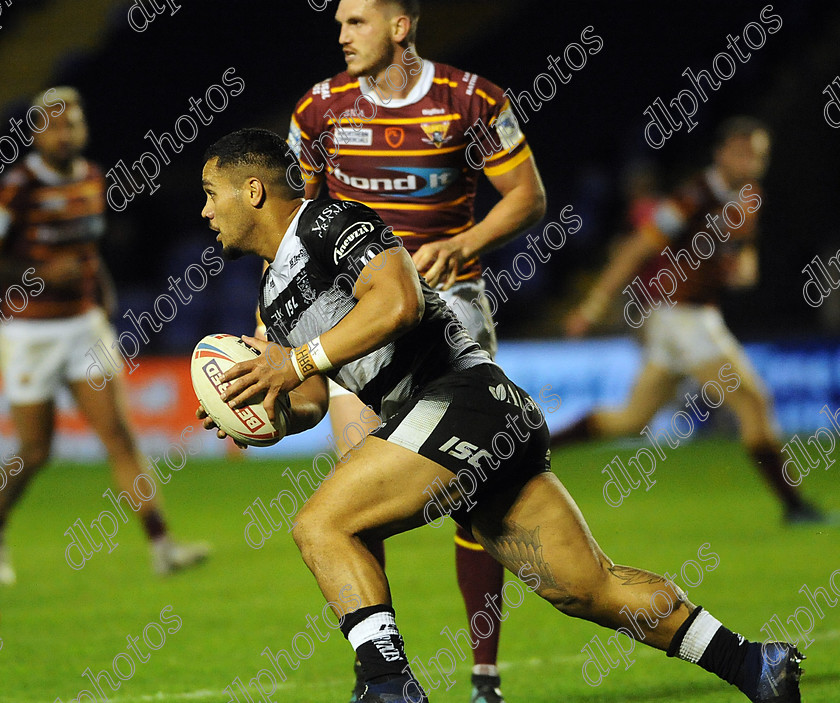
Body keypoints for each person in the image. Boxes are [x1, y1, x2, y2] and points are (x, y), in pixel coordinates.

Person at [198, 127, 804, 703]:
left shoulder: (332, 221)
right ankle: (753, 662)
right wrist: (262, 409)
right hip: (474, 419)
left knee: (322, 526)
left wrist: (298, 360)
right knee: (586, 588)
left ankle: (387, 687)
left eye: (209, 193)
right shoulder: (272, 300)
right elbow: (308, 398)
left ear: (252, 191)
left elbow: (400, 301)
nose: (204, 211)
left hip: (458, 398)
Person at [287, 1, 547, 699]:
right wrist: (273, 327)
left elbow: (527, 195)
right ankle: (384, 675)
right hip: (357, 325)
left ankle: (484, 676)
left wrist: (466, 241)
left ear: (401, 27)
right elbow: (293, 225)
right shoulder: (318, 110)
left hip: (451, 314)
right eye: (339, 23)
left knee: (478, 498)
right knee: (351, 498)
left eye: (357, 22)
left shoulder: (471, 99)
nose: (340, 36)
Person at [557, 117, 824, 524]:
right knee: (753, 402)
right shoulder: (692, 197)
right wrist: (593, 304)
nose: (751, 161)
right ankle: (795, 506)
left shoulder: (748, 197)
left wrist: (745, 265)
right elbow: (635, 249)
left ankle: (537, 443)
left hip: (690, 318)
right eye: (742, 151)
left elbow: (743, 248)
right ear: (721, 154)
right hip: (683, 318)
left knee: (632, 420)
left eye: (758, 154)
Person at [0, 87, 209, 583]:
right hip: (31, 332)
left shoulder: (93, 179)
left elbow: (89, 255)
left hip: (85, 327)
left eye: (72, 123)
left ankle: (163, 545)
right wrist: (43, 276)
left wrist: (102, 294)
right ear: (35, 132)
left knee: (120, 439)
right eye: (54, 125)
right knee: (36, 451)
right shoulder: (17, 187)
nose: (64, 133)